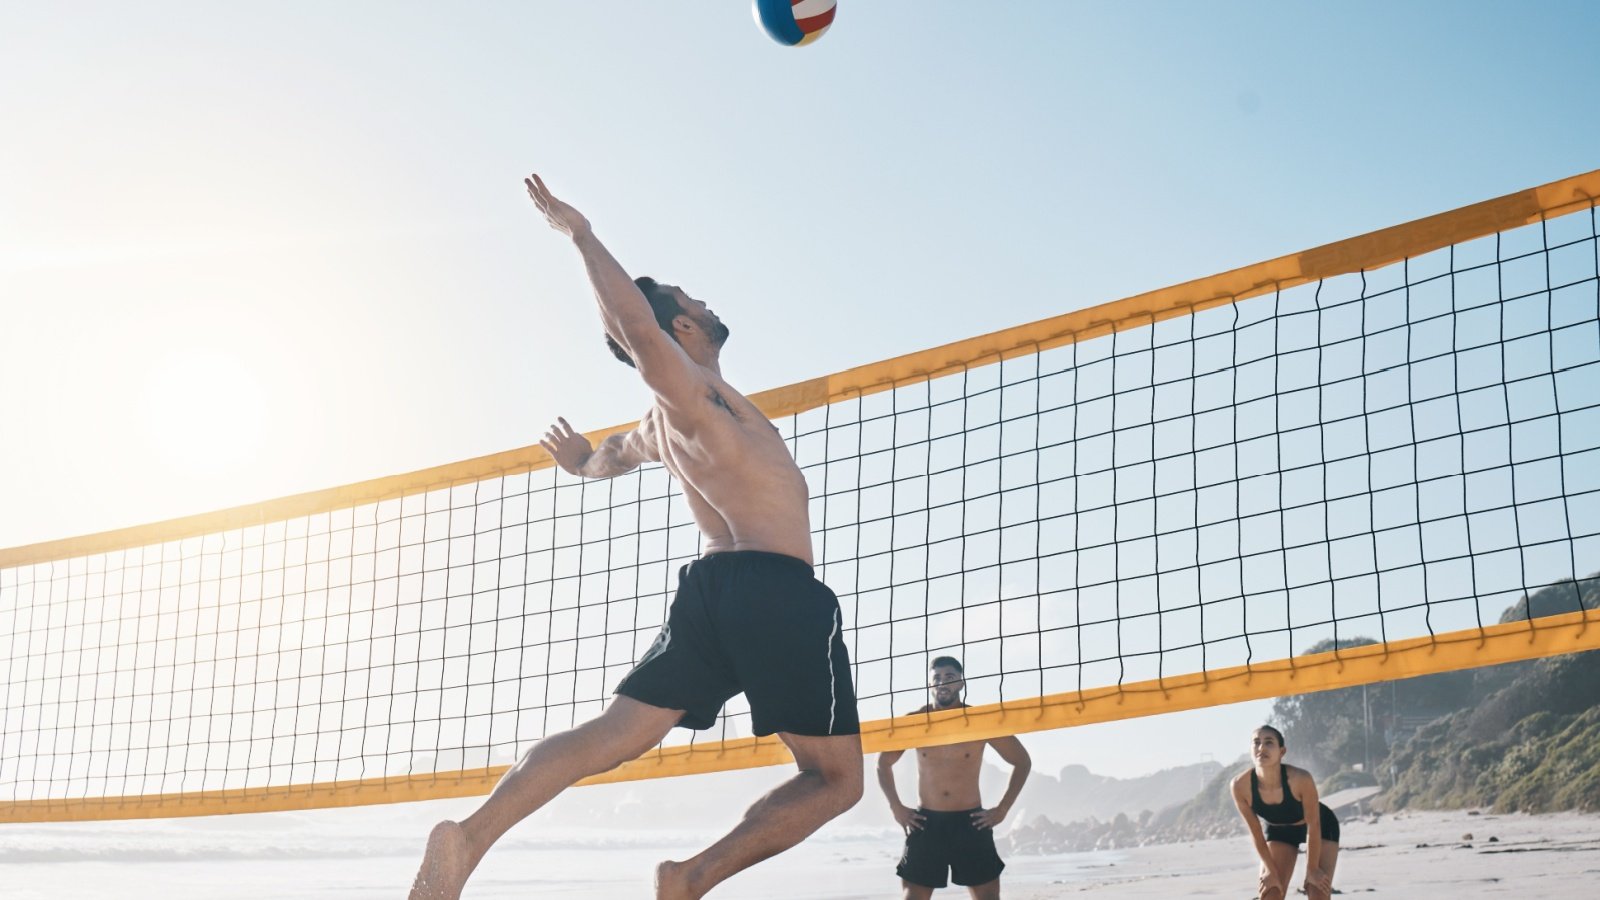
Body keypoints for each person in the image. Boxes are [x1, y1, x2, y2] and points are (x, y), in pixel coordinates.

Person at [409, 174, 863, 900]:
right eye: (690, 300)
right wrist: (582, 236)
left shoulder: (668, 422)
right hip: (774, 589)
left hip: (712, 593)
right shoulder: (692, 396)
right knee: (836, 781)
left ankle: (471, 837)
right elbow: (636, 331)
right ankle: (691, 877)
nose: (703, 302)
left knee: (613, 735)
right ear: (682, 329)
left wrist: (582, 462)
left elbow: (611, 456)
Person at [875, 656, 1031, 900]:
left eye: (950, 677)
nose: (942, 683)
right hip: (926, 822)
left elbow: (1022, 762)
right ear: (930, 685)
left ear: (961, 683)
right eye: (936, 678)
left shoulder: (980, 721)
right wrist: (895, 806)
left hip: (971, 822)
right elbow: (883, 763)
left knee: (988, 897)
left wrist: (1002, 809)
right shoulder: (915, 722)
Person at [1229, 725, 1340, 900]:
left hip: (1321, 827)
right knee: (1271, 893)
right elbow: (1256, 833)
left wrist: (1312, 870)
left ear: (1282, 751)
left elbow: (1314, 824)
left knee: (1317, 892)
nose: (1261, 748)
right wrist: (1270, 871)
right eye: (1256, 742)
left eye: (1269, 743)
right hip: (1279, 831)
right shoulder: (1240, 786)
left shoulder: (1300, 779)